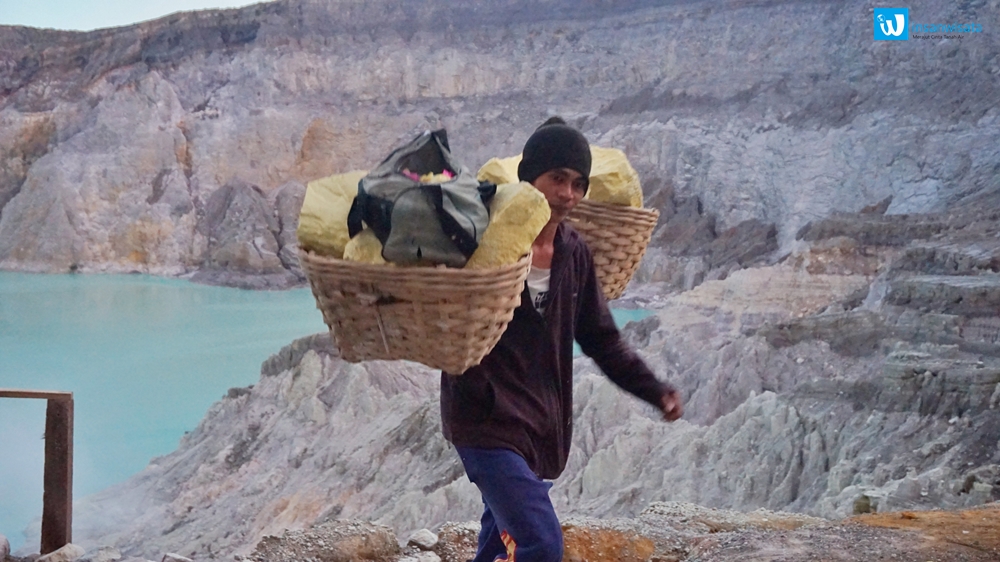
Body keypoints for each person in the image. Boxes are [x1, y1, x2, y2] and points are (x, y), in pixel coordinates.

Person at [440, 117, 683, 562]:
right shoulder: (488, 244)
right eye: (557, 178)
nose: (568, 194)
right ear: (528, 178)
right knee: (541, 543)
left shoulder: (574, 253)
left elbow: (602, 340)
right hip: (484, 422)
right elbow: (444, 313)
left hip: (538, 431)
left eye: (578, 183)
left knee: (498, 544)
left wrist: (655, 390)